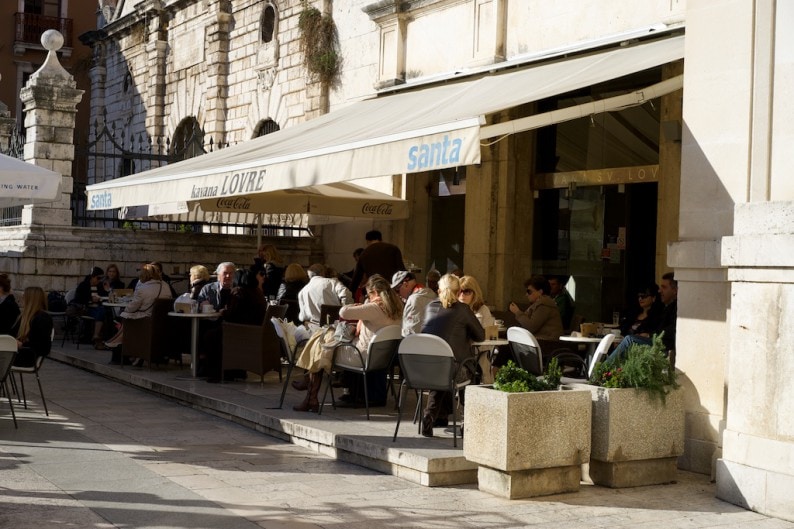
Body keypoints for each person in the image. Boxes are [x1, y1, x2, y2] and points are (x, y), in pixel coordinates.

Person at [419, 274, 485, 437]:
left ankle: (430, 415)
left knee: (442, 370)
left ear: (439, 290)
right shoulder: (462, 309)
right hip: (451, 371)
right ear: (458, 292)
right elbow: (480, 336)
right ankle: (466, 421)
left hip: (423, 370)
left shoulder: (429, 307)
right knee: (472, 371)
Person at [333, 274, 404, 406]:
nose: (368, 298)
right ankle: (352, 392)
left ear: (375, 292)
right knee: (350, 343)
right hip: (384, 356)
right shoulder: (397, 307)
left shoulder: (374, 307)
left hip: (365, 356)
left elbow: (343, 312)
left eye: (368, 295)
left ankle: (349, 392)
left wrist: (358, 305)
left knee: (333, 348)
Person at [200, 269, 268, 382]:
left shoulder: (238, 292)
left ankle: (216, 372)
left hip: (238, 332)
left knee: (210, 335)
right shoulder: (258, 293)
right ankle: (237, 371)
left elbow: (231, 315)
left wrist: (223, 312)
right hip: (253, 332)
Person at [607, 272, 678, 363]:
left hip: (663, 346)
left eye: (664, 287)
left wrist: (649, 335)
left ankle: (602, 371)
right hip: (655, 342)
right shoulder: (667, 307)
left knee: (630, 340)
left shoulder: (677, 308)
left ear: (675, 290)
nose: (660, 291)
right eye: (639, 296)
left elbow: (673, 329)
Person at [104, 264, 173, 350]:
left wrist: (125, 309)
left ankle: (117, 341)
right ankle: (115, 340)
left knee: (125, 314)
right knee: (127, 315)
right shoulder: (166, 286)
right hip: (161, 320)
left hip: (146, 319)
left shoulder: (143, 289)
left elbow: (132, 307)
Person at [508, 275, 564, 342]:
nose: (527, 294)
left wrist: (517, 312)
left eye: (529, 292)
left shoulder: (544, 304)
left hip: (547, 343)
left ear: (540, 292)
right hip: (541, 341)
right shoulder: (538, 303)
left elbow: (531, 327)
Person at [349, 230, 406, 294]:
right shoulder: (393, 248)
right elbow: (402, 270)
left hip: (375, 289)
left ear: (367, 241)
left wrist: (351, 292)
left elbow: (357, 276)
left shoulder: (365, 253)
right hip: (392, 288)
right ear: (380, 239)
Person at [11, 286, 53, 368]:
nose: (22, 299)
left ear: (31, 299)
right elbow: (12, 333)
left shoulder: (43, 318)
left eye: (24, 297)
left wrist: (22, 344)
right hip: (17, 353)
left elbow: (44, 347)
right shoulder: (24, 316)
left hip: (28, 357)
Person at [392, 270, 437, 337]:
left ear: (405, 284)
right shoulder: (430, 293)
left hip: (416, 343)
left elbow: (411, 332)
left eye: (397, 290)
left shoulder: (413, 300)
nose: (398, 294)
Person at [74, 266, 107, 349]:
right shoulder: (84, 285)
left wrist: (107, 290)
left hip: (97, 309)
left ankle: (97, 337)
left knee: (103, 312)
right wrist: (91, 299)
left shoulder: (100, 286)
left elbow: (104, 297)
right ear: (92, 277)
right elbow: (78, 299)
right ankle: (96, 337)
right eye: (98, 278)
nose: (99, 280)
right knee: (102, 312)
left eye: (101, 279)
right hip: (86, 309)